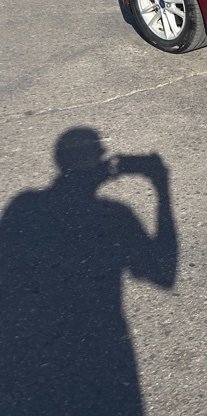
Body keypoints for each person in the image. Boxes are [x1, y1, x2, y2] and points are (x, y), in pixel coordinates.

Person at [0, 127, 178, 415]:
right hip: (102, 356)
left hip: (26, 358)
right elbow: (163, 272)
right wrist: (162, 186)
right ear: (99, 162)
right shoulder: (115, 216)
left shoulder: (24, 206)